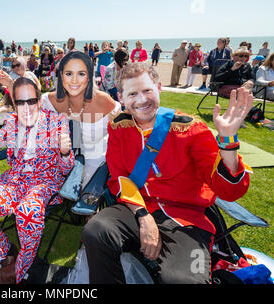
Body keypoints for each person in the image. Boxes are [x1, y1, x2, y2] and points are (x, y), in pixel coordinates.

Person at [81, 62, 253, 284]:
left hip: (187, 220)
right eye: (133, 93)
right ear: (121, 98)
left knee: (183, 280)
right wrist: (143, 217)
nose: (142, 100)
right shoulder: (118, 128)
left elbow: (228, 191)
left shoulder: (190, 129)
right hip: (136, 208)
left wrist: (228, 142)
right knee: (96, 231)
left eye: (147, 90)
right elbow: (119, 178)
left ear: (159, 88)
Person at [0, 77, 74, 284]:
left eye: (31, 101)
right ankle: (5, 254)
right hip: (14, 182)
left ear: (39, 101)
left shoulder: (58, 122)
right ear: (14, 104)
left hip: (44, 182)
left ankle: (20, 268)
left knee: (27, 212)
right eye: (20, 102)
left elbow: (66, 169)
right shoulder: (12, 122)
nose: (26, 107)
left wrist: (65, 153)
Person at [41, 51, 121, 187]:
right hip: (58, 169)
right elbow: (25, 112)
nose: (74, 80)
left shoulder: (104, 101)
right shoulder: (49, 101)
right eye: (69, 73)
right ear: (61, 76)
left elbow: (124, 134)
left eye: (81, 74)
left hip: (95, 174)